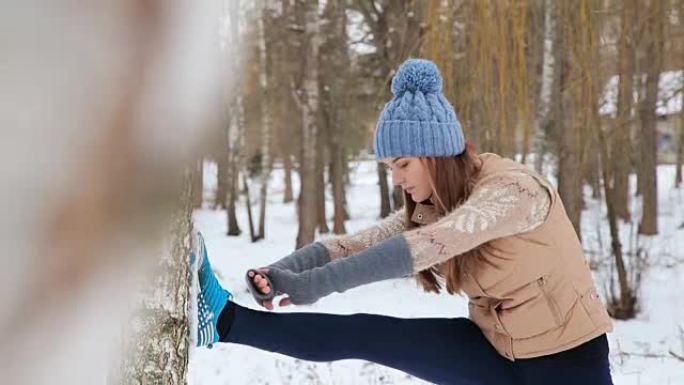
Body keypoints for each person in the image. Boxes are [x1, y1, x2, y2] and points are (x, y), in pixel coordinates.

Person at [192, 58, 614, 385]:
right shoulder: (437, 204)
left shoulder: (514, 192)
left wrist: (314, 286)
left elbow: (433, 244)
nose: (397, 178)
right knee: (365, 334)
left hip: (568, 363)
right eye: (391, 167)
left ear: (436, 154)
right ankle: (224, 321)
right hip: (494, 352)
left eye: (403, 164)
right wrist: (284, 271)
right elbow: (359, 245)